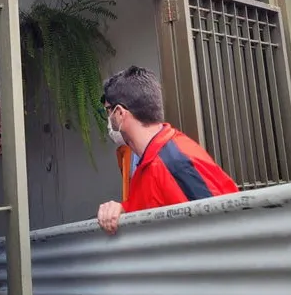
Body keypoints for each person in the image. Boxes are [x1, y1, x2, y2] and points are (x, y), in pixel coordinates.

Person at [97, 66, 239, 234]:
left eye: (108, 111)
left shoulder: (176, 162)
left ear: (120, 113)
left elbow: (223, 230)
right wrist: (120, 209)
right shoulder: (147, 163)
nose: (108, 120)